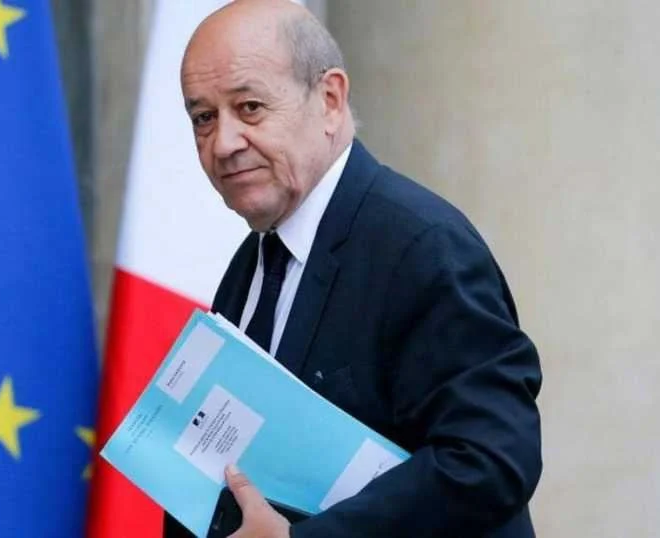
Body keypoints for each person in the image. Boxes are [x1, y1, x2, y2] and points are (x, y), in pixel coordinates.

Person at [165, 0, 543, 537]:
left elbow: (490, 459)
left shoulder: (421, 244)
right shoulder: (254, 261)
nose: (223, 143)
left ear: (330, 100)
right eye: (204, 118)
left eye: (249, 107)